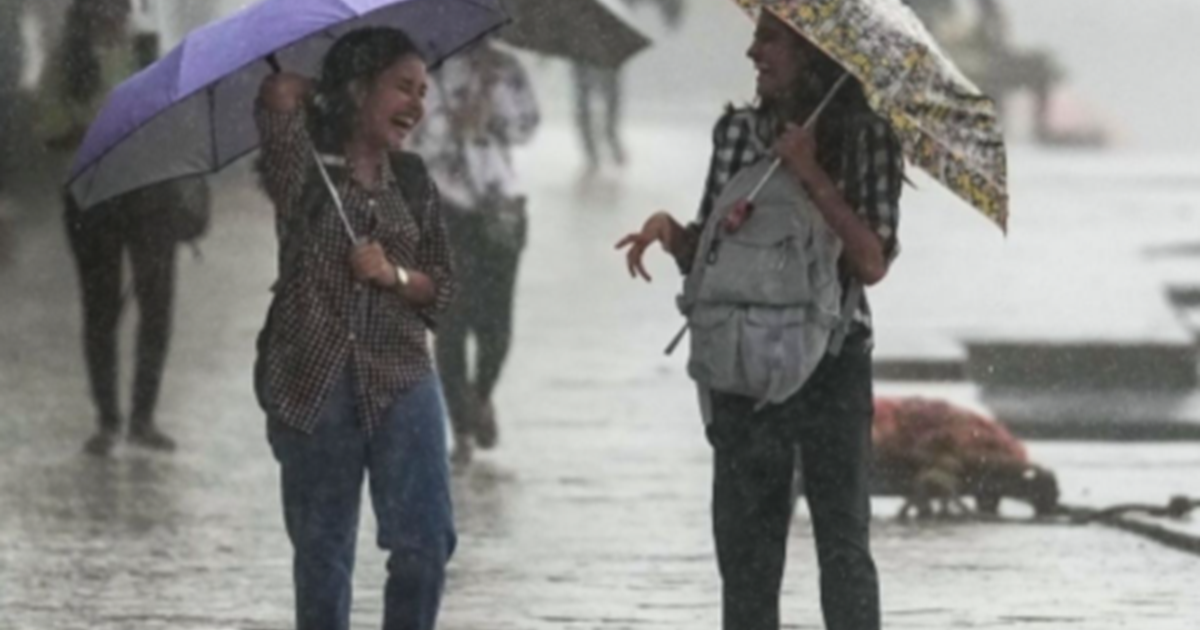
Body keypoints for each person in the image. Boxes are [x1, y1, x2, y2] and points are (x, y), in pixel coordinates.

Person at [616, 12, 904, 630]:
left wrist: (810, 171)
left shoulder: (869, 138)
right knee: (747, 558)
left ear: (816, 54)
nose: (753, 51)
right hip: (742, 361)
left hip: (834, 359)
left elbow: (872, 260)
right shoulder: (738, 134)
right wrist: (673, 234)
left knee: (844, 546)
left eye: (771, 38)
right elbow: (716, 253)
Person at [253, 27, 457, 630]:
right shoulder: (303, 173)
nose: (417, 105)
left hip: (401, 376)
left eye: (423, 91)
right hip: (313, 381)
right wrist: (316, 90)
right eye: (401, 88)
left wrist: (391, 274)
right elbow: (277, 99)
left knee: (425, 545)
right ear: (362, 88)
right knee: (323, 557)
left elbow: (440, 290)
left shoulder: (415, 181)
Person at [40, 0, 202, 456]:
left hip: (150, 195)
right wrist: (97, 130)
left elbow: (176, 117)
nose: (114, 12)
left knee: (156, 305)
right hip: (91, 197)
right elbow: (49, 127)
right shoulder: (68, 61)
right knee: (101, 308)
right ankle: (108, 419)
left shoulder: (148, 53)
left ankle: (143, 417)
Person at [409, 37, 539, 466]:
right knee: (450, 319)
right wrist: (454, 124)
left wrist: (492, 112)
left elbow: (527, 125)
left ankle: (480, 395)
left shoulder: (507, 69)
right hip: (446, 205)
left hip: (501, 206)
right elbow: (417, 139)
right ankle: (461, 427)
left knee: (496, 318)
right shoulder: (429, 72)